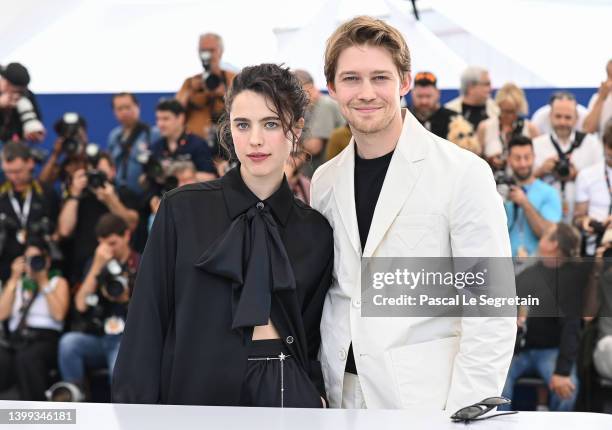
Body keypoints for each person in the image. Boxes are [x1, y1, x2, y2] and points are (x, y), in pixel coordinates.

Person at [310, 16, 515, 411]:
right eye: (351, 78)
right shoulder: (324, 181)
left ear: (404, 82)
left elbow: (491, 304)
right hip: (340, 395)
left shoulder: (463, 173)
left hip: (426, 400)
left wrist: (466, 408)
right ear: (332, 88)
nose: (366, 92)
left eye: (380, 78)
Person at [112, 64, 333, 408]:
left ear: (297, 129)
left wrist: (316, 396)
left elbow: (317, 338)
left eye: (271, 124)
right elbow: (146, 323)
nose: (255, 140)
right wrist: (133, 411)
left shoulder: (316, 232)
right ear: (229, 128)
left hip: (288, 395)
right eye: (243, 125)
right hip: (194, 389)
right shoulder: (181, 210)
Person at [56, 214, 139, 400]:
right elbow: (80, 305)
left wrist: (126, 299)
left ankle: (118, 415)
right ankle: (76, 399)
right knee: (69, 343)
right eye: (102, 244)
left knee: (117, 361)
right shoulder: (96, 262)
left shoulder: (141, 263)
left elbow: (149, 312)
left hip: (127, 341)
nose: (107, 250)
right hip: (99, 337)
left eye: (112, 243)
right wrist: (96, 266)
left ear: (126, 235)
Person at [501, 223, 583, 412]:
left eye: (545, 235)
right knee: (493, 386)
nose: (541, 238)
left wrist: (562, 372)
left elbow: (572, 329)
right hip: (519, 351)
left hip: (551, 351)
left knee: (568, 389)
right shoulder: (530, 273)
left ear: (553, 245)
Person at [0, 239, 69, 400]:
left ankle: (34, 413)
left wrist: (43, 282)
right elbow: (2, 315)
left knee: (27, 358)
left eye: (36, 258)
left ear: (47, 260)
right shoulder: (17, 284)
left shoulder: (57, 282)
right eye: (28, 259)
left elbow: (59, 314)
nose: (32, 263)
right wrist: (13, 279)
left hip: (44, 339)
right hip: (17, 339)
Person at [57, 152, 139, 285]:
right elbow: (64, 230)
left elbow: (131, 224)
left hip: (121, 267)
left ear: (113, 171)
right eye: (91, 173)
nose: (96, 177)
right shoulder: (80, 198)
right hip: (84, 271)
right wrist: (74, 194)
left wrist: (110, 200)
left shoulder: (125, 194)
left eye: (100, 172)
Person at [533, 92, 603, 223]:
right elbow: (525, 184)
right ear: (549, 117)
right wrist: (541, 171)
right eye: (558, 116)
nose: (562, 122)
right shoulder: (536, 145)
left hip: (582, 219)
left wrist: (578, 175)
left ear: (576, 118)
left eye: (568, 117)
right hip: (544, 219)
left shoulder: (592, 145)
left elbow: (602, 183)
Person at [0, 142, 60, 283]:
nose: (13, 177)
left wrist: (41, 246)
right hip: (5, 270)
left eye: (18, 171)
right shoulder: (2, 193)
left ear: (30, 163)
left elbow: (58, 231)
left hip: (40, 268)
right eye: (8, 172)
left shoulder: (46, 193)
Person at [503, 136, 562, 257]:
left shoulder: (549, 192)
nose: (523, 163)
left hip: (537, 267)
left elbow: (548, 234)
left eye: (527, 157)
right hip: (504, 264)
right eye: (517, 158)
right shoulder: (499, 191)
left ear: (534, 157)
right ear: (509, 159)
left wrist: (524, 203)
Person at [176, 33, 236, 149]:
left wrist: (224, 93)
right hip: (195, 147)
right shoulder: (191, 82)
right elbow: (175, 110)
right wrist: (191, 92)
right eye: (203, 51)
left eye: (211, 50)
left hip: (227, 146)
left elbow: (246, 107)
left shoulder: (233, 79)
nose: (207, 55)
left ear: (221, 51)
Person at [150, 98, 217, 182]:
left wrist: (186, 175)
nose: (160, 124)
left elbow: (211, 177)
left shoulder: (198, 145)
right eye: (158, 119)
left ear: (181, 118)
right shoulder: (156, 147)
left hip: (190, 194)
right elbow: (148, 181)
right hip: (163, 194)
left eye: (165, 119)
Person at [293, 69, 345, 178]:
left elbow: (314, 147)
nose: (294, 98)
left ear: (310, 87)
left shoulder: (324, 105)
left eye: (297, 92)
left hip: (330, 176)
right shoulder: (308, 109)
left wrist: (296, 147)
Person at [479, 83, 539, 171]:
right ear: (498, 106)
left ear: (519, 109)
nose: (508, 116)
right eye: (504, 111)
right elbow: (477, 158)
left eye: (512, 111)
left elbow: (536, 160)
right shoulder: (485, 127)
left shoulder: (531, 129)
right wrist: (489, 160)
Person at [574, 119, 612, 256]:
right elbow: (578, 218)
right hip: (594, 249)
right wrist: (585, 221)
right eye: (610, 147)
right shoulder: (586, 175)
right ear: (603, 144)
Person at [107, 92, 158, 195]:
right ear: (114, 112)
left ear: (137, 106)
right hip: (119, 194)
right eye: (119, 109)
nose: (124, 112)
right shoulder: (114, 136)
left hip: (145, 196)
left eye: (128, 107)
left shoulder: (153, 134)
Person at [0, 62, 45, 144]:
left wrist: (33, 130)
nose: (17, 96)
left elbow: (35, 121)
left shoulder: (27, 96)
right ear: (4, 83)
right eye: (14, 91)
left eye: (21, 92)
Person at [445, 66, 499, 130]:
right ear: (471, 87)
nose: (491, 88)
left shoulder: (497, 110)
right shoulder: (447, 112)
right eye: (487, 84)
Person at [409, 71, 458, 139]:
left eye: (428, 96)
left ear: (438, 94)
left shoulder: (453, 119)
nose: (424, 101)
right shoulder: (403, 117)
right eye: (419, 96)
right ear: (412, 94)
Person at [582, 59, 612, 138]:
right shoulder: (598, 98)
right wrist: (601, 98)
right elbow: (587, 130)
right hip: (605, 149)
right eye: (609, 76)